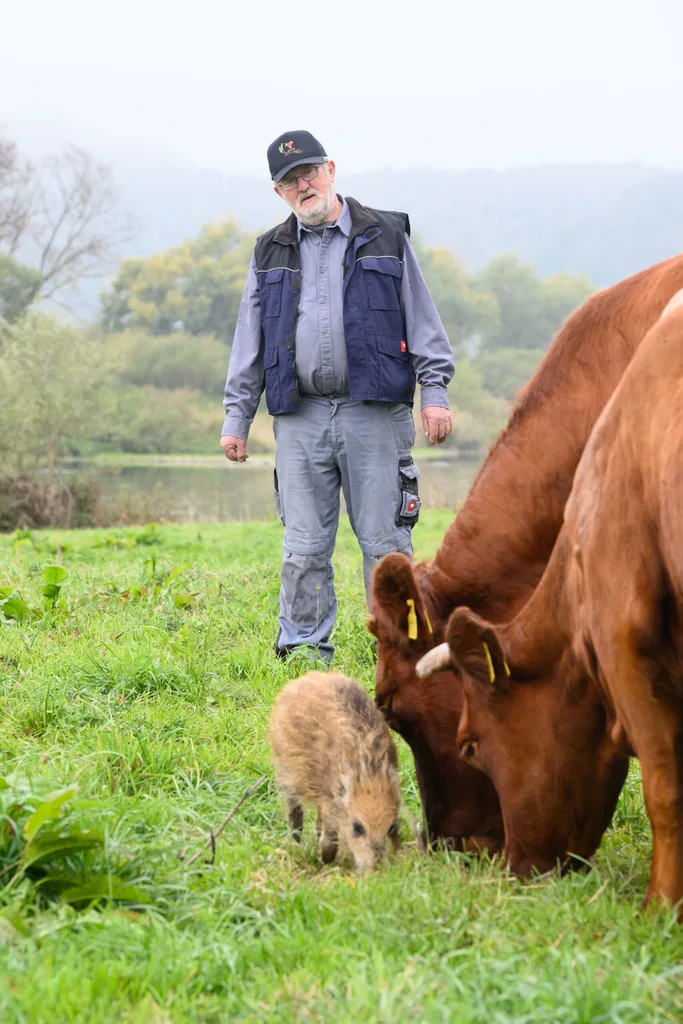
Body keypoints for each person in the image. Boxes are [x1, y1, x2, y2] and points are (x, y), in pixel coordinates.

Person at [221, 130, 454, 661]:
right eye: (288, 181)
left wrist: (434, 389)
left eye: (308, 173)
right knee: (303, 546)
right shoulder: (270, 250)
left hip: (374, 414)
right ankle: (304, 648)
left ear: (330, 169)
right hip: (299, 418)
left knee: (387, 546)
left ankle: (402, 651)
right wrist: (237, 418)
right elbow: (249, 340)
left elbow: (422, 319)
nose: (302, 185)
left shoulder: (385, 235)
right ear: (279, 193)